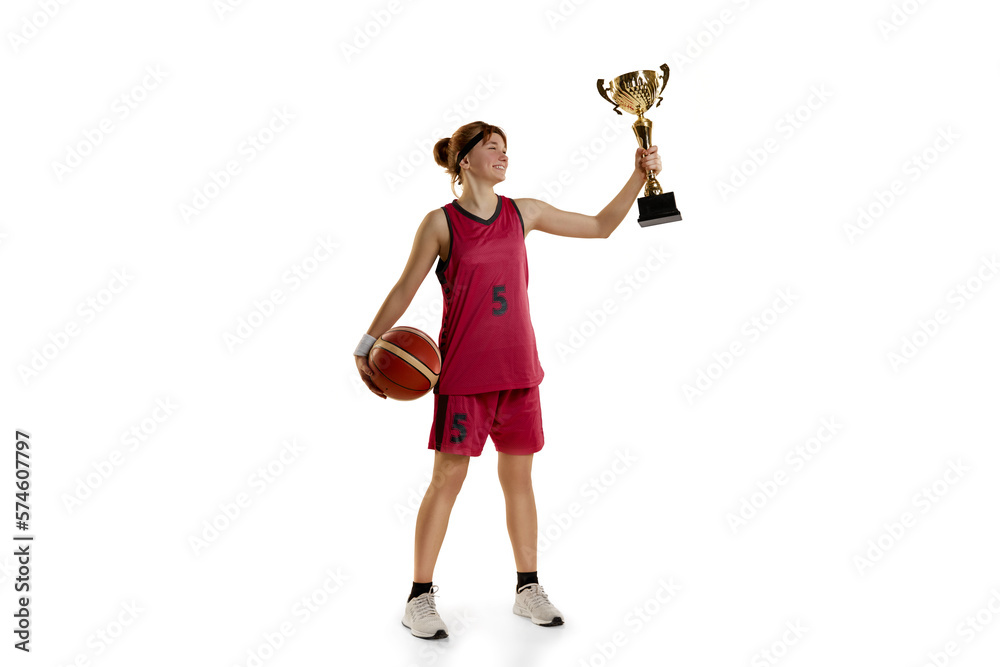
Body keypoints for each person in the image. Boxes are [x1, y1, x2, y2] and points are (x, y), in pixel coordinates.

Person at [353, 121, 662, 640]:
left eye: (505, 149)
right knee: (447, 482)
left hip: (519, 373)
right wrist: (366, 346)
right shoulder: (440, 223)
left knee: (519, 482)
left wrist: (637, 176)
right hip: (463, 377)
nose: (502, 155)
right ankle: (419, 599)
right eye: (490, 148)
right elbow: (404, 289)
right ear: (464, 162)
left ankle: (527, 589)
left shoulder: (525, 212)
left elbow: (602, 226)